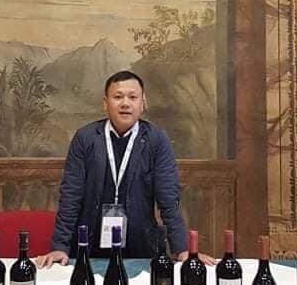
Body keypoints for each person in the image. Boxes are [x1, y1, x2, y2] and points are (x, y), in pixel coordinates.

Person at [37, 70, 215, 267]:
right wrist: (60, 246)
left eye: (132, 97)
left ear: (143, 103)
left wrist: (182, 249)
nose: (125, 103)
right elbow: (71, 195)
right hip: (89, 245)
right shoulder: (86, 138)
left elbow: (169, 199)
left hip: (141, 247)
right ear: (105, 103)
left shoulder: (156, 140)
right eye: (118, 97)